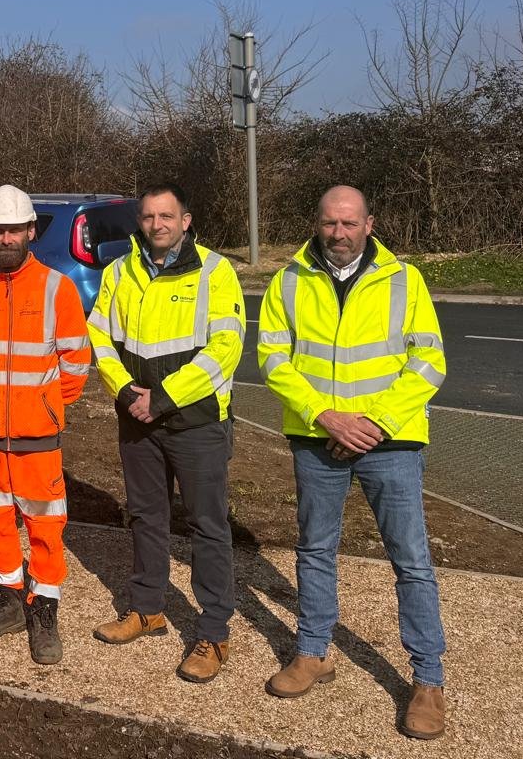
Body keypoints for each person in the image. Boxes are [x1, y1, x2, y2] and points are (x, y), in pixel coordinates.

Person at [259, 185, 449, 740]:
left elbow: (429, 361)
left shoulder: (404, 280)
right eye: (329, 223)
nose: (338, 233)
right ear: (317, 224)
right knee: (315, 549)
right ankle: (313, 652)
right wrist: (325, 416)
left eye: (349, 223)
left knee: (411, 561)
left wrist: (371, 425)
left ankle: (428, 680)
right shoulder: (289, 279)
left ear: (369, 224)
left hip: (389, 441)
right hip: (318, 438)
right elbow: (272, 357)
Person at [86, 182, 245, 682]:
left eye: (167, 216)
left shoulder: (216, 272)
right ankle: (147, 608)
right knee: (146, 516)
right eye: (150, 217)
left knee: (207, 526)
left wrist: (166, 396)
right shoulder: (120, 271)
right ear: (141, 221)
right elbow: (99, 336)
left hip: (195, 421)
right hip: (137, 416)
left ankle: (214, 632)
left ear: (186, 219)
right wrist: (128, 391)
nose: (158, 225)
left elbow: (226, 347)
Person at [0, 184, 91, 665]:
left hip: (38, 431)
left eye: (15, 229)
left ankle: (44, 609)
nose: (6, 238)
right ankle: (8, 604)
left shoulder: (58, 287)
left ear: (31, 231)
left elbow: (76, 363)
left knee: (45, 523)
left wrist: (47, 405)